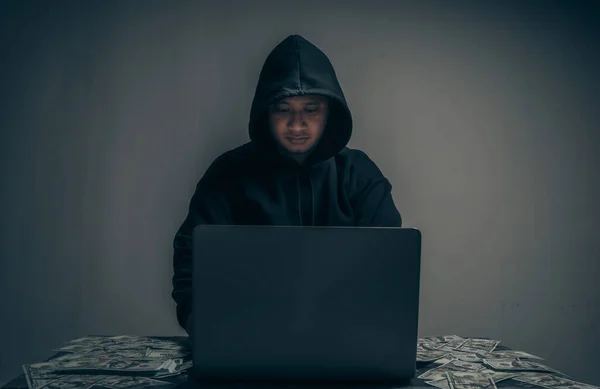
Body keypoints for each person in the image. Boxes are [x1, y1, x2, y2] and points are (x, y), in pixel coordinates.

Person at [171, 34, 403, 335]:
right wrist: (202, 327)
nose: (296, 125)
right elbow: (192, 260)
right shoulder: (228, 173)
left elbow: (389, 268)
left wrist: (374, 332)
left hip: (345, 337)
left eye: (311, 109)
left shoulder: (360, 175)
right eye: (283, 109)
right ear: (265, 111)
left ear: (329, 111)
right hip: (244, 336)